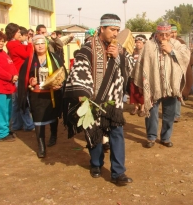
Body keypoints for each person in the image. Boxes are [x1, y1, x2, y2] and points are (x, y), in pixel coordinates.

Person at [64, 13, 133, 185]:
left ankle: (118, 173)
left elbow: (131, 68)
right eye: (112, 29)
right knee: (95, 133)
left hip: (114, 102)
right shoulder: (87, 49)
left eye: (117, 30)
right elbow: (79, 71)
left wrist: (119, 56)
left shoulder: (120, 49)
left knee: (117, 134)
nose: (115, 33)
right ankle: (96, 164)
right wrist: (83, 93)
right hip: (94, 100)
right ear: (102, 29)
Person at [133, 21, 190, 148]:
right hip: (154, 86)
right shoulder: (148, 45)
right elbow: (141, 64)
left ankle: (166, 137)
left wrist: (172, 51)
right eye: (162, 34)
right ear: (157, 34)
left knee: (169, 113)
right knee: (151, 113)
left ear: (171, 34)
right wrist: (141, 85)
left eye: (167, 35)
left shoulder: (177, 45)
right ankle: (151, 137)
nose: (164, 37)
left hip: (171, 86)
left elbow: (186, 58)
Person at [18, 34, 65, 158]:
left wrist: (59, 85)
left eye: (42, 43)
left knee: (53, 117)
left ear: (46, 45)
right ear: (34, 45)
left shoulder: (54, 58)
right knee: (38, 120)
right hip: (37, 95)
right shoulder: (29, 60)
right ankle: (41, 146)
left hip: (52, 95)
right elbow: (24, 77)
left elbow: (62, 73)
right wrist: (30, 81)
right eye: (37, 44)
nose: (40, 46)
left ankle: (53, 135)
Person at [5, 23, 35, 132]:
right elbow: (27, 54)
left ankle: (17, 124)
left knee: (17, 103)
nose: (19, 34)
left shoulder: (14, 44)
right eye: (18, 32)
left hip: (18, 75)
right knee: (23, 101)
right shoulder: (13, 44)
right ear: (13, 33)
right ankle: (28, 125)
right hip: (19, 76)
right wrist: (30, 44)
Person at [0, 31, 18, 142]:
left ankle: (6, 129)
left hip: (8, 87)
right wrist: (10, 77)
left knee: (8, 110)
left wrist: (15, 75)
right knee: (0, 111)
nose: (1, 43)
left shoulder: (3, 53)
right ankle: (1, 133)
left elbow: (11, 66)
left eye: (2, 41)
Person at [170, 24, 188, 122]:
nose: (173, 34)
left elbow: (185, 57)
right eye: (171, 32)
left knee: (177, 93)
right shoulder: (165, 42)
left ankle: (176, 114)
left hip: (179, 72)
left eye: (175, 32)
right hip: (168, 72)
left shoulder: (180, 43)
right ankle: (170, 113)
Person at [129, 35, 146, 117]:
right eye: (136, 42)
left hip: (143, 76)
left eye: (139, 42)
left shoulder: (146, 53)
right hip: (133, 75)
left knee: (142, 92)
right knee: (133, 91)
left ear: (143, 43)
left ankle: (142, 108)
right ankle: (136, 107)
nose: (137, 44)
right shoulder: (132, 52)